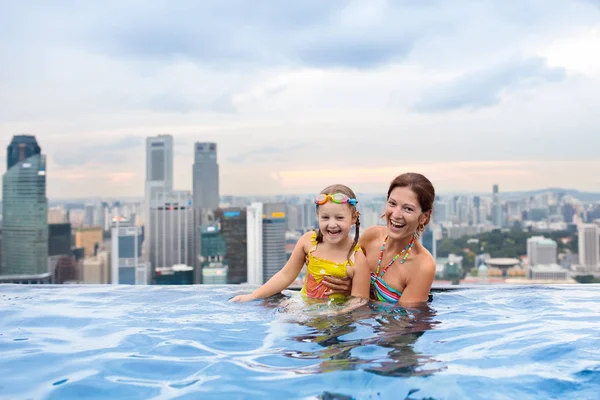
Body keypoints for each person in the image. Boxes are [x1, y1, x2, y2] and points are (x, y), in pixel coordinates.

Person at [230, 184, 371, 304]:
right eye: (325, 217)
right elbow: (285, 275)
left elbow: (359, 302)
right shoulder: (309, 241)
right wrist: (253, 296)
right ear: (317, 216)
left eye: (339, 218)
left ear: (354, 218)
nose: (332, 224)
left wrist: (333, 314)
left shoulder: (357, 260)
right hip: (305, 311)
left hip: (336, 322)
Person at [321, 173, 436, 305]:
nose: (396, 214)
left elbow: (404, 319)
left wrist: (354, 293)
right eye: (392, 204)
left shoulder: (423, 266)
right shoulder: (371, 236)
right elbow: (342, 261)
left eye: (408, 209)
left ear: (424, 216)